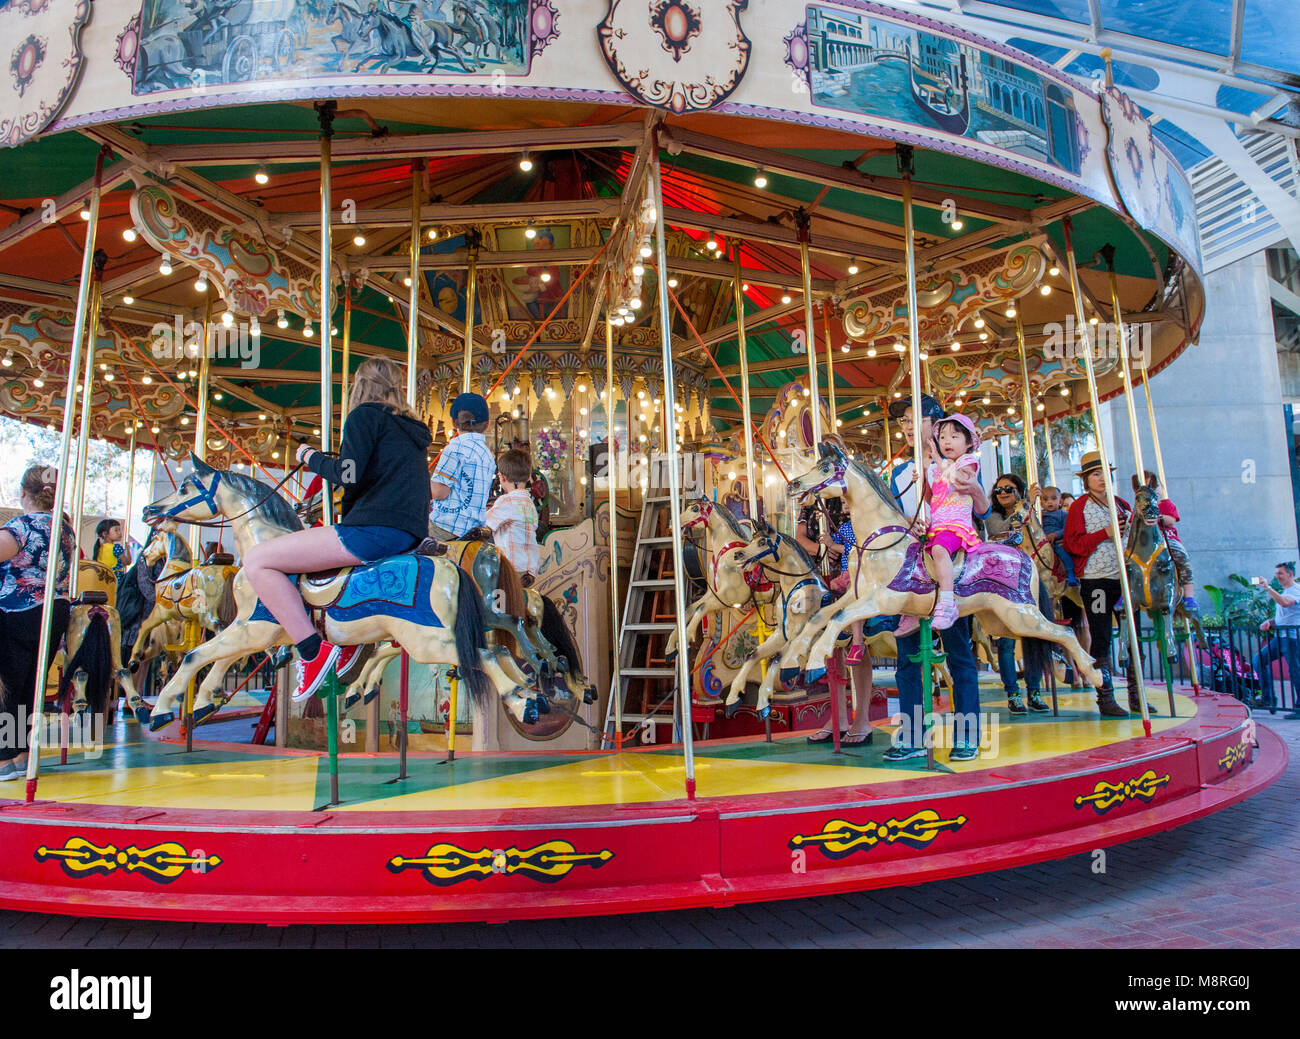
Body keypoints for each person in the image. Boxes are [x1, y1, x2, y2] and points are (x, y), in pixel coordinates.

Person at [243, 357, 433, 702]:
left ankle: (311, 651)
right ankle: (345, 643)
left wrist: (310, 457)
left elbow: (348, 474)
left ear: (359, 387)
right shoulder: (411, 431)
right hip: (408, 533)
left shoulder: (364, 416)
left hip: (372, 530)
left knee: (257, 560)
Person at [883, 394, 989, 763]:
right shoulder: (897, 473)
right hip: (914, 567)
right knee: (908, 658)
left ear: (938, 425)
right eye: (904, 422)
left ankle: (969, 735)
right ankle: (912, 736)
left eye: (916, 419)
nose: (909, 427)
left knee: (960, 655)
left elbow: (981, 508)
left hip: (950, 557)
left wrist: (975, 492)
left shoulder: (959, 461)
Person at [0, 466, 75, 781]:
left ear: (23, 494)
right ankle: (20, 753)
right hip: (53, 610)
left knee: (6, 686)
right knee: (32, 685)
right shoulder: (65, 528)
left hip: (18, 611)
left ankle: (3, 759)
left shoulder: (21, 526)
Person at [893, 412, 981, 635]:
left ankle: (948, 601)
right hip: (937, 526)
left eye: (954, 437)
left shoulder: (967, 463)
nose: (947, 442)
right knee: (910, 555)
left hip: (955, 526)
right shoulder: (906, 472)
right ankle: (910, 610)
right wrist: (923, 477)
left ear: (968, 442)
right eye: (943, 438)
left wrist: (937, 462)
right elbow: (932, 499)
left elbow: (962, 483)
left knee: (940, 549)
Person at [1063, 450, 1133, 717]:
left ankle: (1136, 694)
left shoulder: (1121, 504)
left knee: (1130, 633)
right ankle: (1105, 697)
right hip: (1097, 580)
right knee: (1101, 635)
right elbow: (1073, 544)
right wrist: (1104, 533)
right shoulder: (1080, 507)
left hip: (1123, 578)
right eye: (1095, 474)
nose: (1102, 478)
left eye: (1105, 472)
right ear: (1086, 480)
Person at [982, 472, 1049, 715]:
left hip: (1030, 575)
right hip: (1006, 578)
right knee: (1007, 641)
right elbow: (1004, 530)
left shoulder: (1029, 513)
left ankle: (1034, 690)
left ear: (1018, 490)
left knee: (1036, 637)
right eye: (998, 490)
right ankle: (1012, 692)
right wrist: (1026, 504)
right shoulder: (991, 516)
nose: (1003, 493)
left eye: (1008, 489)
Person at [429, 391, 496, 541]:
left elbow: (440, 492)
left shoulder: (455, 448)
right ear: (487, 424)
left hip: (446, 526)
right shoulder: (488, 455)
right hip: (474, 528)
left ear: (453, 422)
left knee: (405, 540)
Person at [1141, 471, 1197, 614]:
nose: (1154, 490)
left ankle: (1189, 595)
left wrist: (1157, 517)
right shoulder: (1139, 508)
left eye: (1155, 486)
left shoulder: (1165, 504)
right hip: (1148, 542)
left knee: (1181, 557)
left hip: (1167, 540)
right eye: (1148, 487)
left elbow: (1171, 520)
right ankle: (1128, 591)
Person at [1250, 562, 1300, 713]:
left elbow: (1285, 604)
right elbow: (1287, 614)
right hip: (1280, 637)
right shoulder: (1285, 591)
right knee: (1258, 660)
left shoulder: (1296, 590)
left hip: (1292, 638)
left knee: (1295, 671)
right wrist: (1271, 622)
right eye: (1277, 573)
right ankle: (1268, 698)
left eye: (1281, 573)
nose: (1277, 576)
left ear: (1290, 574)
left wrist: (1267, 587)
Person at [485, 448, 540, 577]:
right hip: (530, 568)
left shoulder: (507, 501)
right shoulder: (529, 503)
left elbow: (486, 523)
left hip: (512, 567)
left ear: (502, 477)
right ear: (528, 477)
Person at [1038, 485, 1077, 586]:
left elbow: (1067, 529)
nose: (1049, 502)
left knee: (1065, 554)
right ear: (1041, 503)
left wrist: (1056, 534)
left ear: (1060, 501)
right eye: (1045, 499)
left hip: (1057, 542)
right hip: (1042, 543)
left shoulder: (1063, 515)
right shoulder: (1039, 515)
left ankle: (1071, 574)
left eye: (1054, 499)